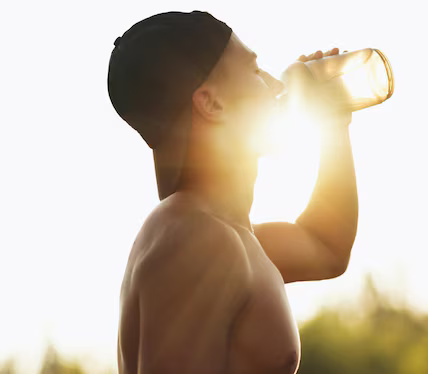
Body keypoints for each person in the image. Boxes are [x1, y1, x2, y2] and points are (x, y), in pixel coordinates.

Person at [108, 10, 358, 374]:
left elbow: (325, 247)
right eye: (256, 72)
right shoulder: (197, 239)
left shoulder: (224, 235)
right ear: (212, 103)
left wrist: (334, 123)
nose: (276, 84)